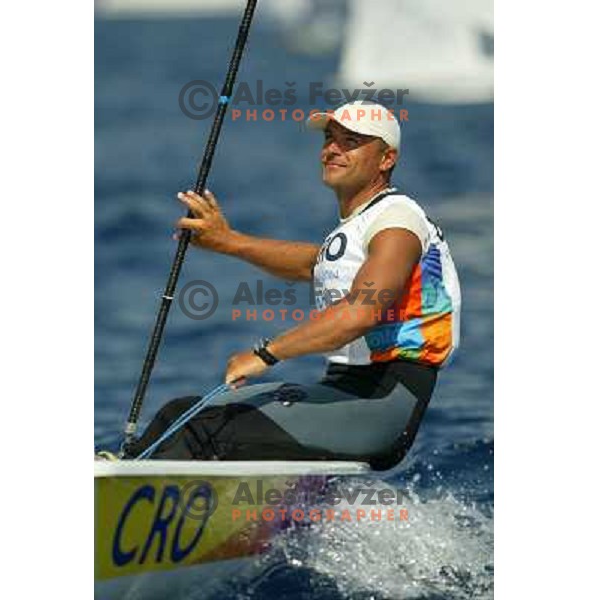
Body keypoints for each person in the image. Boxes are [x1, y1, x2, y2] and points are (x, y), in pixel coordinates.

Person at [124, 100, 461, 470]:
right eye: (330, 139)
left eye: (351, 141)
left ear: (386, 159)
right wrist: (227, 240)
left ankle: (125, 512)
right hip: (343, 392)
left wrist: (266, 353)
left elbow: (361, 311)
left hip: (382, 405)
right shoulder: (363, 223)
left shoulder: (397, 221)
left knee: (201, 428)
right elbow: (312, 263)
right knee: (182, 413)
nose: (332, 149)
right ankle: (117, 481)